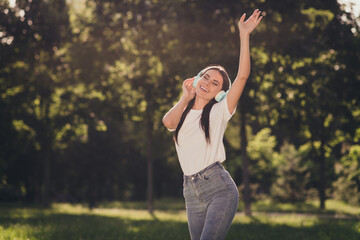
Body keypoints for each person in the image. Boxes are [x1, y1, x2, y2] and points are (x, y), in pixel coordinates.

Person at [162, 9, 263, 240]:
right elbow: (168, 122)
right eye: (205, 77)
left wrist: (244, 35)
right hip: (190, 191)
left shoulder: (219, 112)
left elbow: (242, 77)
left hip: (219, 189)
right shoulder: (184, 111)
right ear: (197, 78)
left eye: (215, 83)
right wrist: (184, 98)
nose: (208, 82)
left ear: (220, 93)